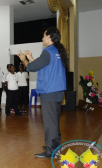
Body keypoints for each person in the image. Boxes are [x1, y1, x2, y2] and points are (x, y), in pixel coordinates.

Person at [17, 27, 67, 158]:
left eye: (44, 36)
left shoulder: (47, 52)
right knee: (54, 120)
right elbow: (42, 66)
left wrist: (24, 59)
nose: (42, 38)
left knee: (50, 122)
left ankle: (51, 151)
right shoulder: (58, 51)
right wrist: (31, 57)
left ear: (49, 37)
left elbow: (32, 68)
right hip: (57, 90)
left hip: (49, 91)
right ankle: (55, 145)